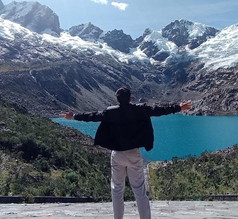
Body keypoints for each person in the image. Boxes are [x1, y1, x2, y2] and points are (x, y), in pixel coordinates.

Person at [61, 87, 193, 219]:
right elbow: (158, 110)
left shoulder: (110, 112)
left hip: (117, 155)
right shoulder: (140, 109)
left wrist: (73, 116)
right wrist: (178, 107)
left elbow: (92, 116)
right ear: (130, 98)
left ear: (117, 99)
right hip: (133, 154)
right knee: (140, 191)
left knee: (117, 190)